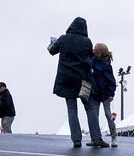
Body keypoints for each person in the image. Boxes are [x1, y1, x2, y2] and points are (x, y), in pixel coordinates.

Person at [49, 17, 107, 148]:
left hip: (67, 80)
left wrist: (51, 43)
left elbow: (52, 51)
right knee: (90, 108)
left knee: (72, 109)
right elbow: (90, 57)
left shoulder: (63, 39)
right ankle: (96, 137)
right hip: (84, 80)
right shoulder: (87, 42)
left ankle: (76, 139)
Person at [90, 42, 118, 147]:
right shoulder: (93, 59)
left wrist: (111, 93)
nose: (93, 51)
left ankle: (114, 136)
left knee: (107, 114)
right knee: (95, 115)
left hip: (105, 93)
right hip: (95, 93)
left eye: (95, 50)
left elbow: (111, 80)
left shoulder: (106, 65)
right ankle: (97, 137)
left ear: (99, 53)